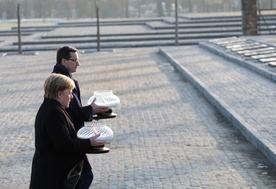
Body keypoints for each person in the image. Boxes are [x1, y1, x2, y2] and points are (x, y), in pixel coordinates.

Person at [29, 73, 105, 189]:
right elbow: (65, 145)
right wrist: (89, 142)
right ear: (59, 94)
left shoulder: (54, 108)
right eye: (69, 93)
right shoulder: (54, 113)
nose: (72, 97)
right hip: (51, 178)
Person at [52, 46, 109, 188]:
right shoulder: (61, 82)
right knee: (84, 175)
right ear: (64, 61)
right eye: (75, 60)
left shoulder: (66, 78)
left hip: (74, 135)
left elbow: (74, 109)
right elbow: (68, 112)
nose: (78, 64)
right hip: (71, 137)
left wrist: (92, 112)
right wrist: (90, 109)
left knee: (78, 176)